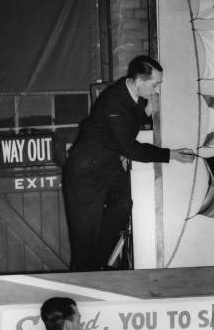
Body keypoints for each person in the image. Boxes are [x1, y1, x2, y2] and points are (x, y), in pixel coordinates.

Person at [63, 55, 195, 272]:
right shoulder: (113, 100)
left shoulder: (133, 95)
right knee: (84, 236)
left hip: (106, 163)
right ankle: (85, 275)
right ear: (140, 81)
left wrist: (146, 112)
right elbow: (130, 148)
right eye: (154, 85)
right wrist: (171, 154)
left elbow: (128, 125)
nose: (156, 90)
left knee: (123, 204)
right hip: (85, 169)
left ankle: (95, 265)